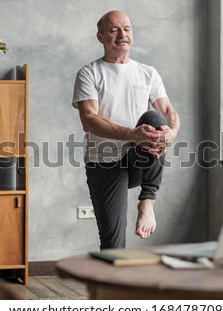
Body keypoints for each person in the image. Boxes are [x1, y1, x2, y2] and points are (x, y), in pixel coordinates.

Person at [72, 10, 180, 249]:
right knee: (112, 242)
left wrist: (172, 132)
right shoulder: (89, 73)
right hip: (104, 162)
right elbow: (89, 120)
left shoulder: (147, 73)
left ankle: (147, 202)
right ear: (101, 37)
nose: (123, 35)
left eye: (127, 29)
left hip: (138, 158)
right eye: (114, 30)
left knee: (154, 117)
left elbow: (169, 112)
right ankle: (111, 286)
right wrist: (133, 134)